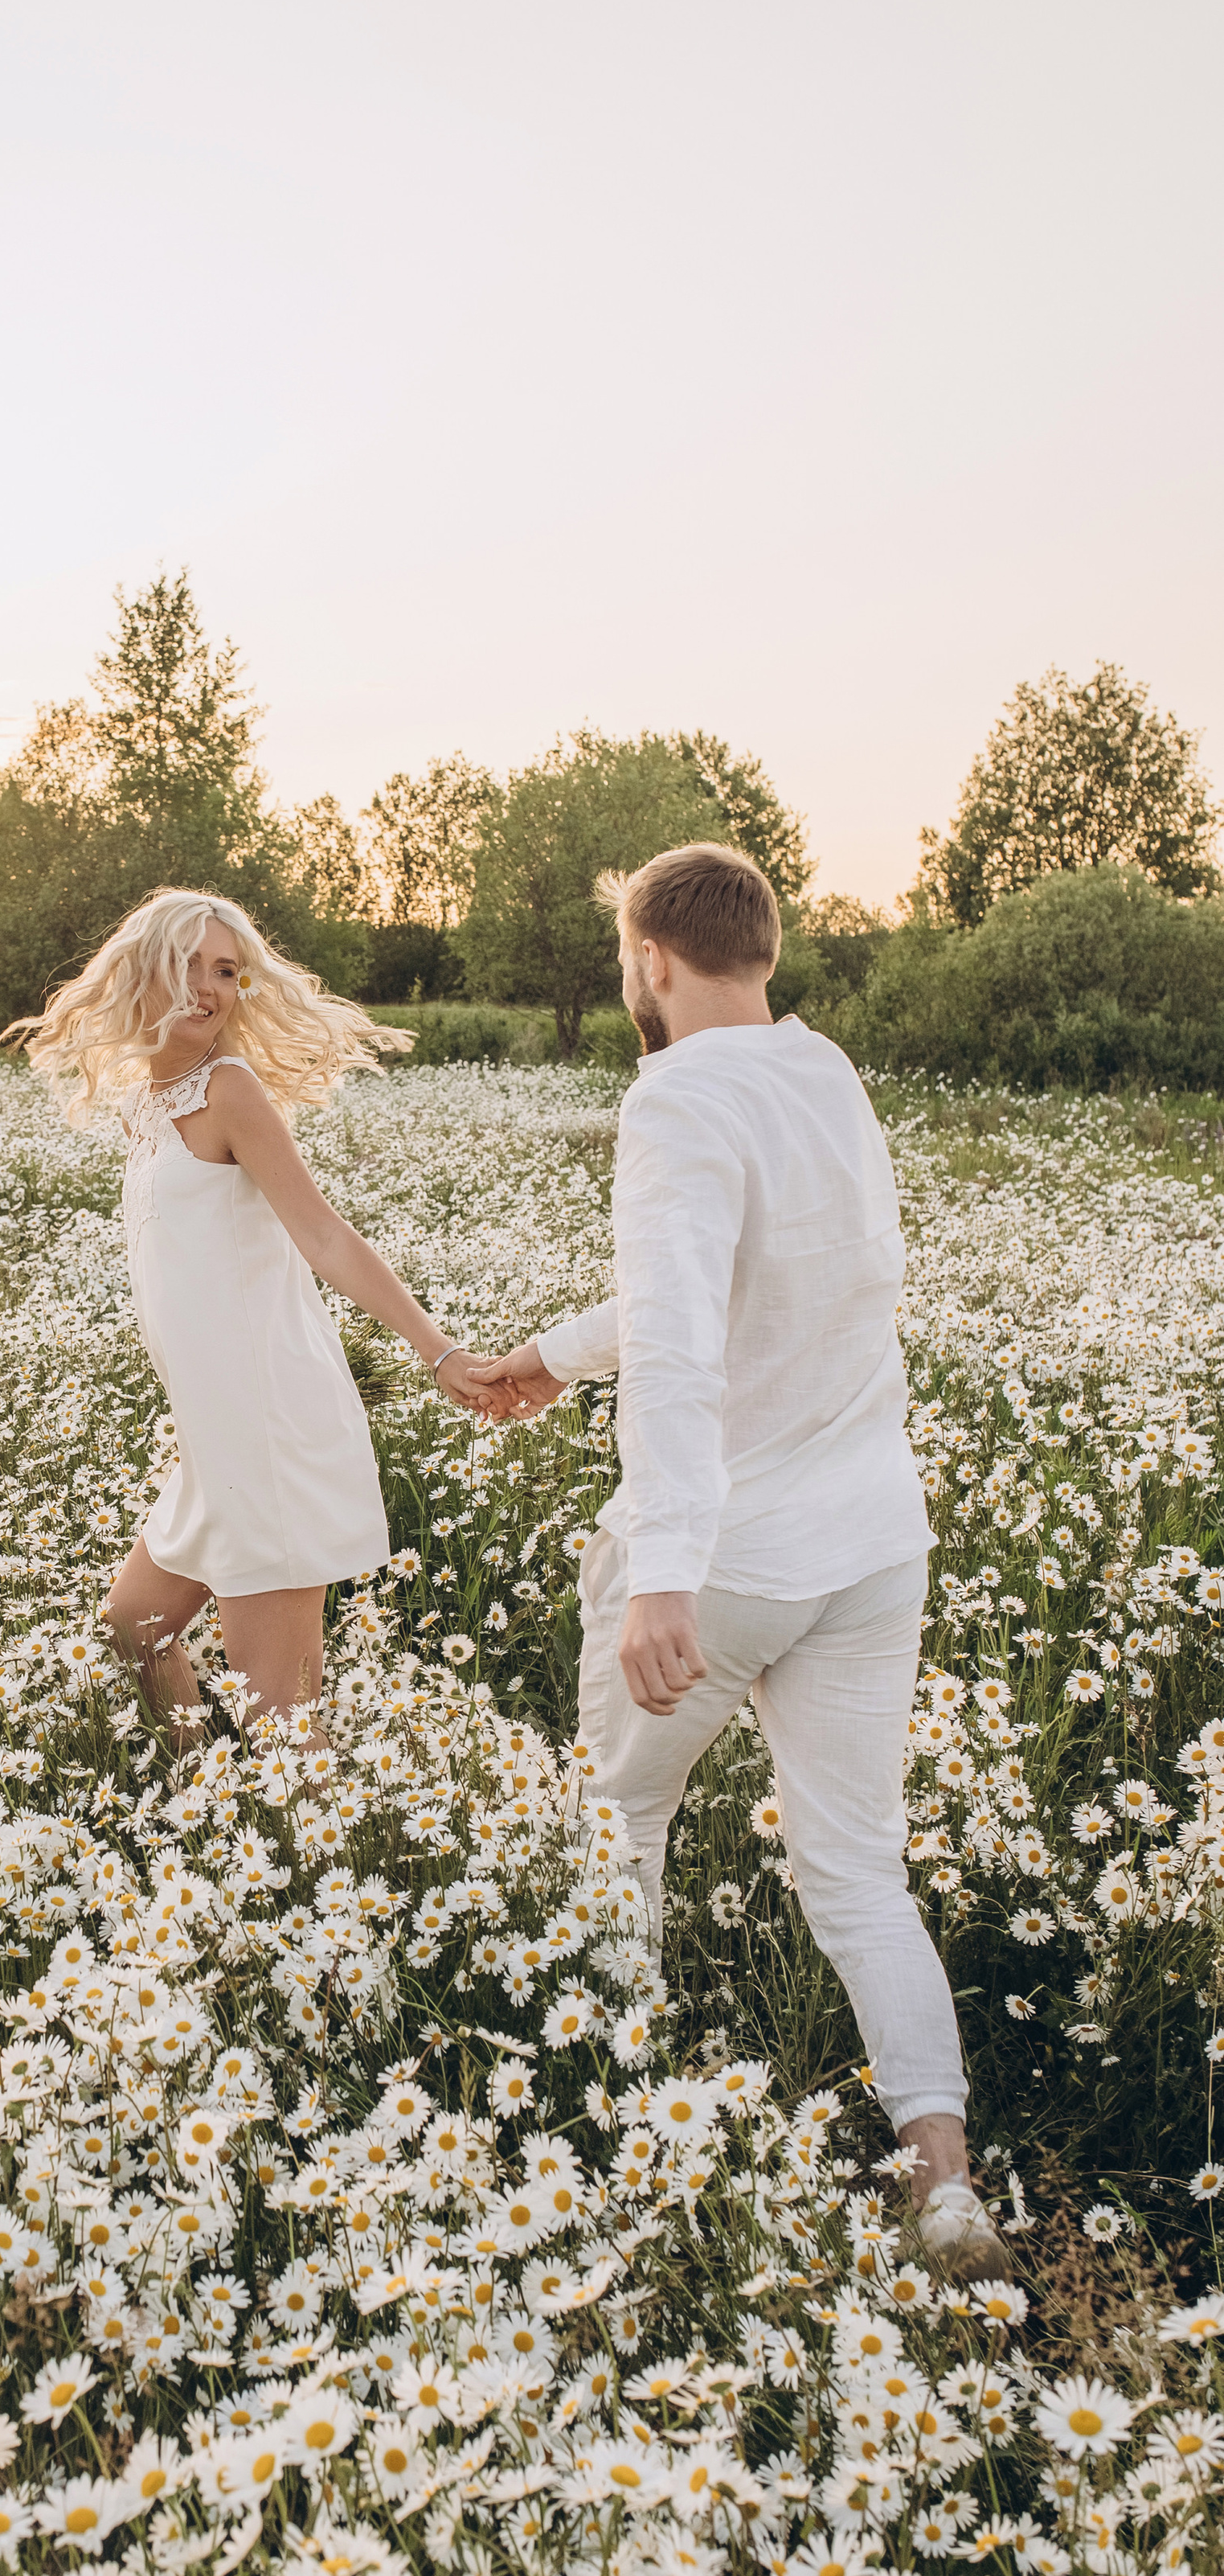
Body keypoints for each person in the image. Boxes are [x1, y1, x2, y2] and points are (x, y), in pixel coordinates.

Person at [470, 839, 1013, 2285]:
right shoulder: (823, 1074)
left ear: (649, 958)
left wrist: (663, 1569)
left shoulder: (675, 1097)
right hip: (871, 1543)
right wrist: (552, 1354)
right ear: (762, 952)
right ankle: (947, 2188)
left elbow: (689, 1345)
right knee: (856, 1875)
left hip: (726, 1560)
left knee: (617, 1833)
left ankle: (623, 2152)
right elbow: (748, 1286)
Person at [6, 888, 498, 1730]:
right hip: (216, 1442)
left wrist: (439, 1352)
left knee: (280, 1729)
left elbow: (327, 1238)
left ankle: (273, 1843)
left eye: (225, 972)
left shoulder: (228, 1090)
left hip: (270, 1429)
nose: (206, 988)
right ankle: (207, 1813)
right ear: (141, 976)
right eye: (186, 967)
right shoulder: (144, 1103)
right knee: (133, 1633)